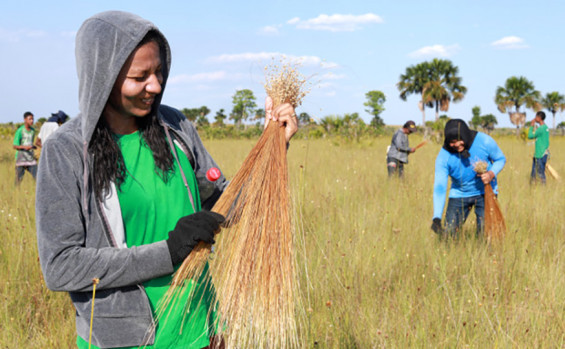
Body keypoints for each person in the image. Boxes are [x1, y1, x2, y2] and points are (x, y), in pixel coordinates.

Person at [35, 11, 298, 349]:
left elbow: (225, 209)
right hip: (127, 341)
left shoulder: (176, 129)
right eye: (139, 76)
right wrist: (168, 252)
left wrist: (273, 144)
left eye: (158, 71)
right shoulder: (68, 151)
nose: (155, 85)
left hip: (202, 329)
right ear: (103, 77)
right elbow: (60, 266)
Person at [431, 119, 506, 237]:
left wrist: (491, 174)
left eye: (459, 140)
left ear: (465, 135)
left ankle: (484, 253)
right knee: (449, 234)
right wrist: (436, 217)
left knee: (485, 233)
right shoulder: (443, 157)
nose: (456, 145)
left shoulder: (484, 141)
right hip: (459, 193)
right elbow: (440, 187)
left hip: (485, 192)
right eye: (452, 142)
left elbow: (500, 159)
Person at [13, 111, 37, 184]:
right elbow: (15, 146)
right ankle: (15, 193)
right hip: (21, 159)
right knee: (18, 180)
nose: (32, 121)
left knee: (38, 176)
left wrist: (32, 147)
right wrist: (25, 147)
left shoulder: (33, 131)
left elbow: (30, 142)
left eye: (32, 119)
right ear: (25, 120)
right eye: (30, 119)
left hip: (30, 158)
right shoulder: (20, 131)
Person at [527, 111, 550, 184]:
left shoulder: (540, 129)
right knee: (536, 173)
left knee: (539, 174)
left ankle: (542, 189)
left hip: (539, 154)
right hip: (544, 153)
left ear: (539, 118)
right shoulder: (546, 127)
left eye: (536, 117)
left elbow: (530, 136)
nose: (534, 118)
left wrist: (531, 126)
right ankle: (533, 188)